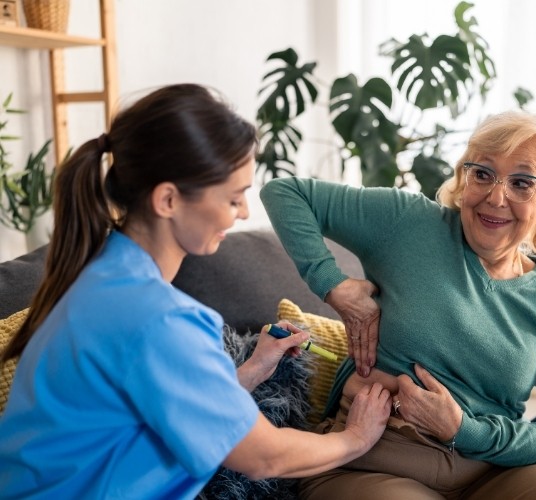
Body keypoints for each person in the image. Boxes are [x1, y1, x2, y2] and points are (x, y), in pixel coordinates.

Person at [0, 84, 391, 498]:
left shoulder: (98, 279)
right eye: (233, 196)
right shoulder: (158, 318)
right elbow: (264, 457)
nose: (242, 212)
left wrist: (250, 372)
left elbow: (161, 402)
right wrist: (356, 439)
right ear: (168, 199)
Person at [260, 110, 536, 499]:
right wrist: (333, 285)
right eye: (482, 174)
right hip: (373, 460)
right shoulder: (411, 223)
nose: (496, 197)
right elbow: (285, 193)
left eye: (521, 183)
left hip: (493, 473)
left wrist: (463, 430)